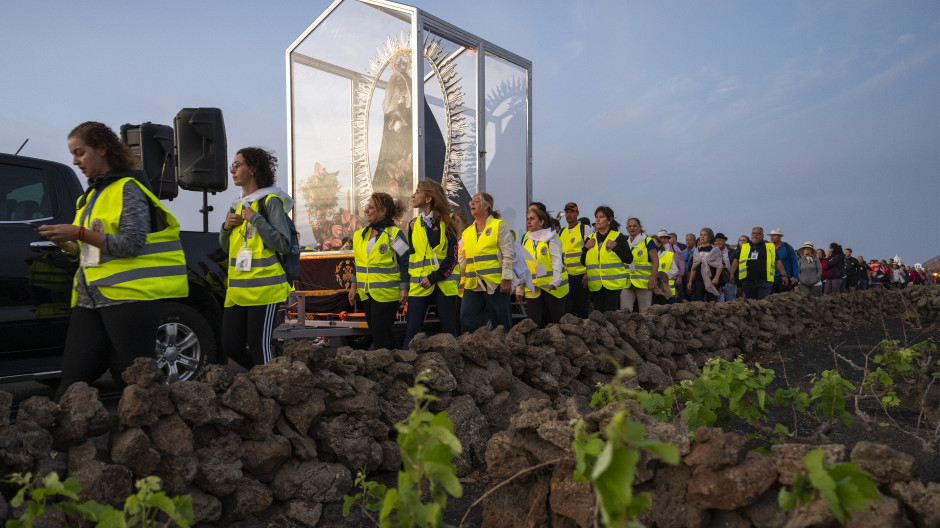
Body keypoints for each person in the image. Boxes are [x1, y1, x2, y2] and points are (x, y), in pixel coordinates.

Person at [39, 122, 188, 400]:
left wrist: (78, 232)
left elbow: (131, 244)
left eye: (80, 152)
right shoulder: (90, 196)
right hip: (90, 298)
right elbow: (86, 250)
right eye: (73, 154)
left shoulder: (127, 189)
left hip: (130, 299)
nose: (75, 161)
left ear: (103, 149)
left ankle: (161, 436)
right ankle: (62, 442)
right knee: (73, 376)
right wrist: (66, 243)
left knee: (138, 379)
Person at [220, 147, 294, 367]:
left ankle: (269, 391)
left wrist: (256, 220)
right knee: (230, 344)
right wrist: (225, 228)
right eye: (231, 165)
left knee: (258, 345)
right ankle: (261, 381)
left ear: (252, 169)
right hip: (237, 290)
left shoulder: (270, 201)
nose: (231, 170)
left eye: (237, 165)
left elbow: (283, 243)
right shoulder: (236, 205)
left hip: (265, 288)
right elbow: (226, 248)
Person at [403, 180, 461, 349]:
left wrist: (433, 277)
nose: (413, 195)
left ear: (428, 198)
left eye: (418, 192)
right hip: (419, 285)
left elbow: (452, 257)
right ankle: (406, 367)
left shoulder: (449, 221)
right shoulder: (414, 225)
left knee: (448, 331)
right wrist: (405, 286)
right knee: (411, 330)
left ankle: (455, 368)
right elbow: (412, 258)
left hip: (443, 283)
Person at [349, 192, 409, 349]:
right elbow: (360, 263)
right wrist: (353, 286)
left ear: (382, 211)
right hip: (366, 293)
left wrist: (404, 287)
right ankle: (399, 363)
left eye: (371, 207)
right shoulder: (361, 235)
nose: (367, 210)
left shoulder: (394, 235)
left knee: (380, 336)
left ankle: (384, 368)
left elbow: (405, 261)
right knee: (382, 333)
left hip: (387, 295)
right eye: (367, 207)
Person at [460, 193, 515, 333]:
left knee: (501, 323)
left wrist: (507, 278)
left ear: (487, 205)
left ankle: (505, 350)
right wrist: (455, 280)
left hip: (495, 283)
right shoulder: (467, 232)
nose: (472, 204)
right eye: (471, 202)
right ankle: (474, 349)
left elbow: (509, 254)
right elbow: (462, 260)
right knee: (467, 319)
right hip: (473, 284)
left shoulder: (499, 226)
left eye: (476, 201)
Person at [519, 208, 568, 327]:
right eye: (527, 219)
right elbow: (522, 265)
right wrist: (519, 289)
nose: (528, 222)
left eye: (532, 219)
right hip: (533, 288)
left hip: (553, 288)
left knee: (555, 324)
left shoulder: (551, 238)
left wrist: (555, 281)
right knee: (533, 324)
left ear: (541, 222)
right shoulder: (526, 240)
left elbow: (557, 261)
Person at [582, 206, 632, 312]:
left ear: (609, 221)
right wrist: (585, 248)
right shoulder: (590, 238)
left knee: (610, 316)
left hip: (613, 285)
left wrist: (616, 247)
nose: (598, 219)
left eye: (601, 217)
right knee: (598, 317)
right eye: (596, 217)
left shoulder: (618, 237)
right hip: (596, 285)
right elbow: (583, 262)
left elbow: (629, 259)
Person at [729, 227, 788, 301]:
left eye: (758, 234)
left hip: (764, 282)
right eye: (754, 233)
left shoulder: (769, 247)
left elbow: (777, 261)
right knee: (751, 303)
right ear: (751, 235)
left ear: (762, 236)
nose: (756, 235)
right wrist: (732, 273)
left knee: (762, 303)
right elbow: (736, 260)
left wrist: (784, 275)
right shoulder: (744, 247)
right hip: (747, 281)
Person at [621, 218, 658, 313]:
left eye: (634, 226)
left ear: (640, 227)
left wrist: (653, 278)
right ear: (626, 228)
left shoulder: (648, 241)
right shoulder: (625, 243)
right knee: (624, 312)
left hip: (644, 283)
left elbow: (655, 261)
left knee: (645, 312)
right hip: (627, 283)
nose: (632, 228)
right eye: (630, 226)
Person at [559, 202, 589, 318]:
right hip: (566, 277)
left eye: (572, 212)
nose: (569, 215)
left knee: (581, 309)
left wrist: (587, 273)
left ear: (577, 213)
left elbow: (590, 253)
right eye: (567, 212)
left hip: (580, 276)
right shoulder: (562, 232)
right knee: (567, 310)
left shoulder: (584, 229)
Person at [686, 228, 723, 302]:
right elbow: (693, 268)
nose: (702, 237)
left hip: (711, 278)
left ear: (709, 237)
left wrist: (716, 278)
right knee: (698, 301)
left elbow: (719, 265)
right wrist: (690, 281)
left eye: (705, 235)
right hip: (699, 279)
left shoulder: (715, 250)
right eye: (701, 235)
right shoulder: (697, 250)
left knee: (712, 301)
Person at [768, 228, 799, 294]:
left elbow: (794, 262)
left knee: (783, 300)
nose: (771, 237)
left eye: (774, 235)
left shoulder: (788, 248)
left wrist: (795, 277)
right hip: (770, 279)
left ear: (779, 236)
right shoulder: (767, 248)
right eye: (771, 235)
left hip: (784, 278)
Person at [653, 230, 679, 304]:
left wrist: (661, 275)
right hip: (653, 288)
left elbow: (674, 270)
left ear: (659, 244)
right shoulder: (648, 255)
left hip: (666, 289)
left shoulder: (669, 254)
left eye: (656, 242)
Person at [715, 233, 736, 301]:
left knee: (731, 301)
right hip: (718, 281)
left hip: (730, 281)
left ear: (724, 241)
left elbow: (737, 266)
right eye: (716, 241)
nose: (718, 242)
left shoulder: (732, 252)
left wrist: (735, 279)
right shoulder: (712, 253)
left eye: (720, 240)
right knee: (720, 302)